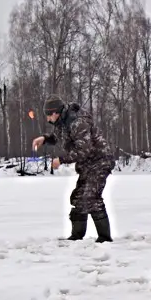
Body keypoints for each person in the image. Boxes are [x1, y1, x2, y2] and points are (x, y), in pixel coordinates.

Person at [32, 95, 116, 243]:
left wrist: (61, 160)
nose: (47, 119)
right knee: (78, 197)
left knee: (91, 197)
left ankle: (104, 239)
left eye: (47, 116)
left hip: (100, 161)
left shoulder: (78, 122)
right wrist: (44, 139)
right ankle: (76, 238)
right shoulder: (63, 122)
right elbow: (60, 137)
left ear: (55, 113)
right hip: (87, 164)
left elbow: (85, 150)